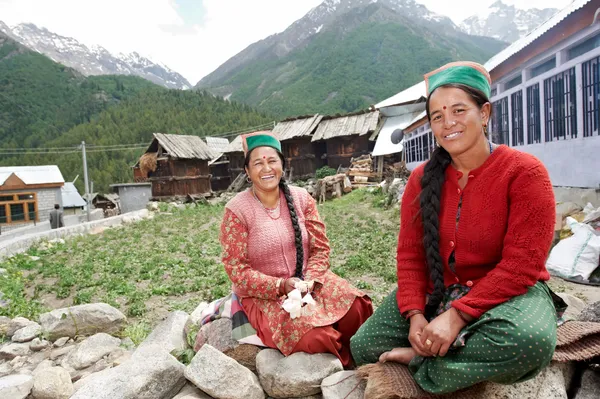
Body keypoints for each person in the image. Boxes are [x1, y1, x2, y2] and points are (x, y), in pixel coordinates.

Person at [350, 61, 561, 394]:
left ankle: (421, 362)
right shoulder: (421, 179)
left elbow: (523, 266)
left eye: (459, 110)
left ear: (485, 112)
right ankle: (452, 357)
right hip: (440, 287)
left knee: (528, 342)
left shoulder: (525, 172)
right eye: (437, 116)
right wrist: (416, 315)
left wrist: (457, 317)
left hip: (505, 293)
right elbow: (410, 255)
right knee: (364, 346)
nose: (447, 123)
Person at [220, 131, 373, 367]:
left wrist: (310, 281)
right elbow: (236, 270)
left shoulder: (301, 198)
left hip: (308, 280)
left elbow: (320, 248)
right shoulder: (237, 211)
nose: (266, 168)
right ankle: (343, 368)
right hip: (264, 295)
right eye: (257, 163)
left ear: (282, 165)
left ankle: (359, 357)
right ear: (247, 172)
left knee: (357, 307)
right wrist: (280, 286)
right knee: (317, 337)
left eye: (272, 161)